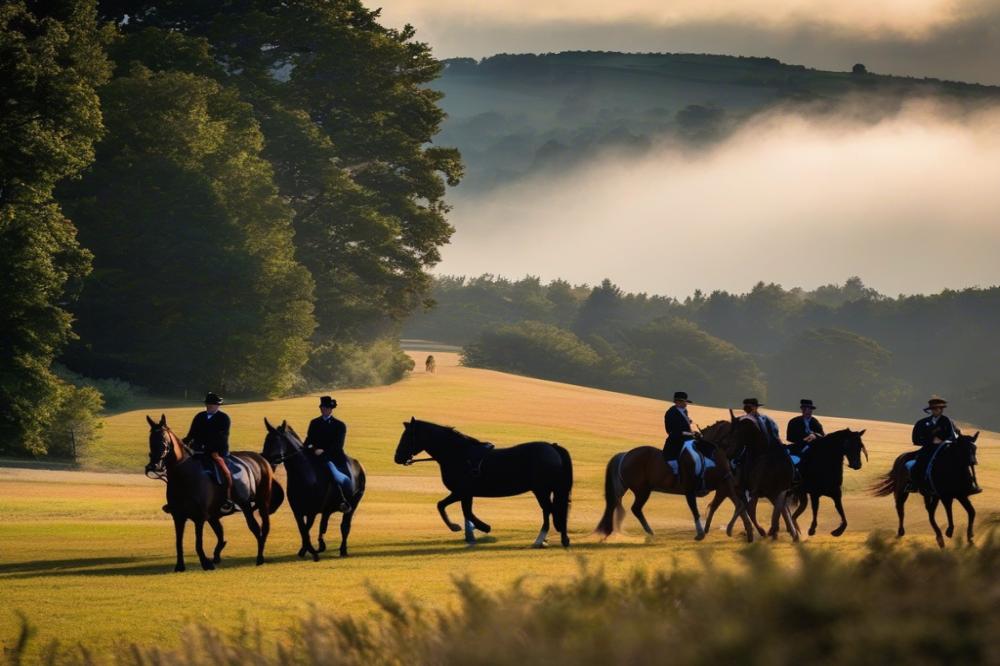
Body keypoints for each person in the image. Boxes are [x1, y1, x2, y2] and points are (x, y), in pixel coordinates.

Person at [910, 396, 980, 494]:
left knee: (963, 461)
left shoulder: (948, 421)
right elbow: (916, 439)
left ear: (941, 409)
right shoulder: (921, 423)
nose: (935, 410)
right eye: (933, 409)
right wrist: (931, 441)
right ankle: (913, 484)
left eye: (937, 408)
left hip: (946, 448)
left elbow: (954, 436)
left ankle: (970, 484)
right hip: (928, 449)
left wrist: (942, 441)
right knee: (918, 463)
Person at [183, 392, 234, 512]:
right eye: (208, 404)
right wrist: (182, 443)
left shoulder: (224, 418)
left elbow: (222, 437)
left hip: (217, 452)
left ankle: (225, 498)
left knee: (221, 471)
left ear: (218, 406)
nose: (210, 406)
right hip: (198, 451)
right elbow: (191, 434)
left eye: (213, 405)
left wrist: (209, 449)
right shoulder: (199, 416)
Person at [304, 396, 353, 512]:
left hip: (333, 456)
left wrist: (323, 451)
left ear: (331, 409)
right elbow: (309, 441)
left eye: (326, 408)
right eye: (322, 407)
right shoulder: (314, 422)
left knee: (332, 472)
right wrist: (312, 449)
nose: (324, 410)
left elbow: (338, 445)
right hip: (315, 454)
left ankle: (341, 500)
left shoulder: (339, 425)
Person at [662, 391, 699, 463]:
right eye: (684, 402)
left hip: (687, 438)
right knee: (673, 463)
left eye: (686, 402)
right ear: (677, 402)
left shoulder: (684, 411)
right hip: (676, 441)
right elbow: (672, 431)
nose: (686, 404)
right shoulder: (671, 413)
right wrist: (691, 434)